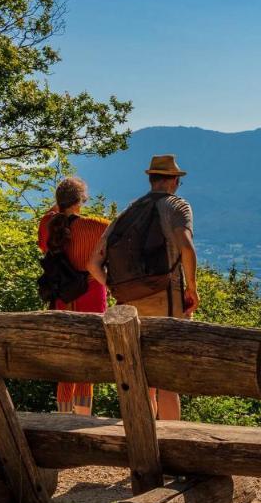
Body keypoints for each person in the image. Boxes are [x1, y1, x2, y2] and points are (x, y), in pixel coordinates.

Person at [88, 154, 199, 421]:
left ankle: (145, 440)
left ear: (151, 179)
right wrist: (192, 289)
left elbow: (93, 264)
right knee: (167, 380)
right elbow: (186, 247)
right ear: (173, 181)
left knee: (143, 380)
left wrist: (113, 286)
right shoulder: (176, 206)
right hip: (165, 301)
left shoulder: (128, 212)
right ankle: (170, 442)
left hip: (129, 306)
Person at [38, 176, 109, 414]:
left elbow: (49, 227)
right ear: (80, 202)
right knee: (87, 357)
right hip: (91, 295)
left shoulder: (47, 225)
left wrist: (58, 208)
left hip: (62, 298)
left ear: (58, 202)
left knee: (65, 358)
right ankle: (83, 416)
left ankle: (62, 413)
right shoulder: (98, 226)